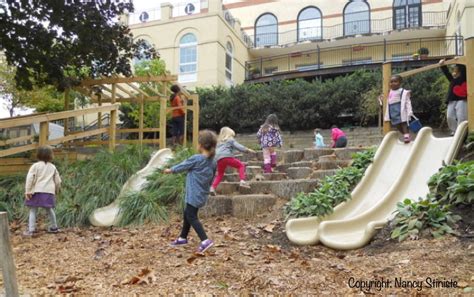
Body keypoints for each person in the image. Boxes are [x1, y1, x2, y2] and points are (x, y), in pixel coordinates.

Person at [164, 130, 217, 253]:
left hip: (193, 194)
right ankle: (183, 238)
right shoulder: (213, 162)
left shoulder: (197, 159)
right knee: (187, 213)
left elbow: (183, 165)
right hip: (202, 194)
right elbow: (212, 177)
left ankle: (205, 240)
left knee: (191, 216)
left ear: (200, 145)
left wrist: (171, 170)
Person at [24, 146, 61, 236]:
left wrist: (27, 191)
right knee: (49, 209)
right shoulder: (53, 167)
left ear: (38, 155)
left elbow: (29, 179)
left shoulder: (35, 166)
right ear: (50, 156)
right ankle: (54, 227)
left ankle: (31, 230)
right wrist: (57, 190)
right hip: (48, 192)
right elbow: (58, 181)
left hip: (36, 191)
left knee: (33, 210)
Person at [210, 127, 256, 196]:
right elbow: (239, 146)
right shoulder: (230, 140)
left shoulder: (219, 143)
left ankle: (212, 188)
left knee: (220, 174)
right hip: (227, 157)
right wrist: (248, 150)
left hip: (219, 159)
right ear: (229, 135)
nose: (232, 137)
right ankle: (242, 181)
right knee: (241, 165)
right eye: (232, 135)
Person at [439, 59, 467, 135]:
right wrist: (443, 65)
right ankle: (454, 130)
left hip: (462, 99)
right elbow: (446, 72)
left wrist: (457, 60)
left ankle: (461, 131)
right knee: (449, 116)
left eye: (455, 67)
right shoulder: (452, 79)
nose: (453, 68)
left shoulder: (464, 77)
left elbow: (463, 68)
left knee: (461, 116)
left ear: (459, 69)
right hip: (452, 100)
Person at [383, 75, 413, 143]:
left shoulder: (402, 91)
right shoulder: (389, 91)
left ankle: (406, 136)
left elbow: (407, 101)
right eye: (391, 82)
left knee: (403, 123)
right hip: (392, 110)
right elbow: (387, 99)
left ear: (400, 83)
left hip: (400, 109)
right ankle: (406, 135)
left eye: (395, 81)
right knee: (396, 124)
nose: (393, 83)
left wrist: (409, 110)